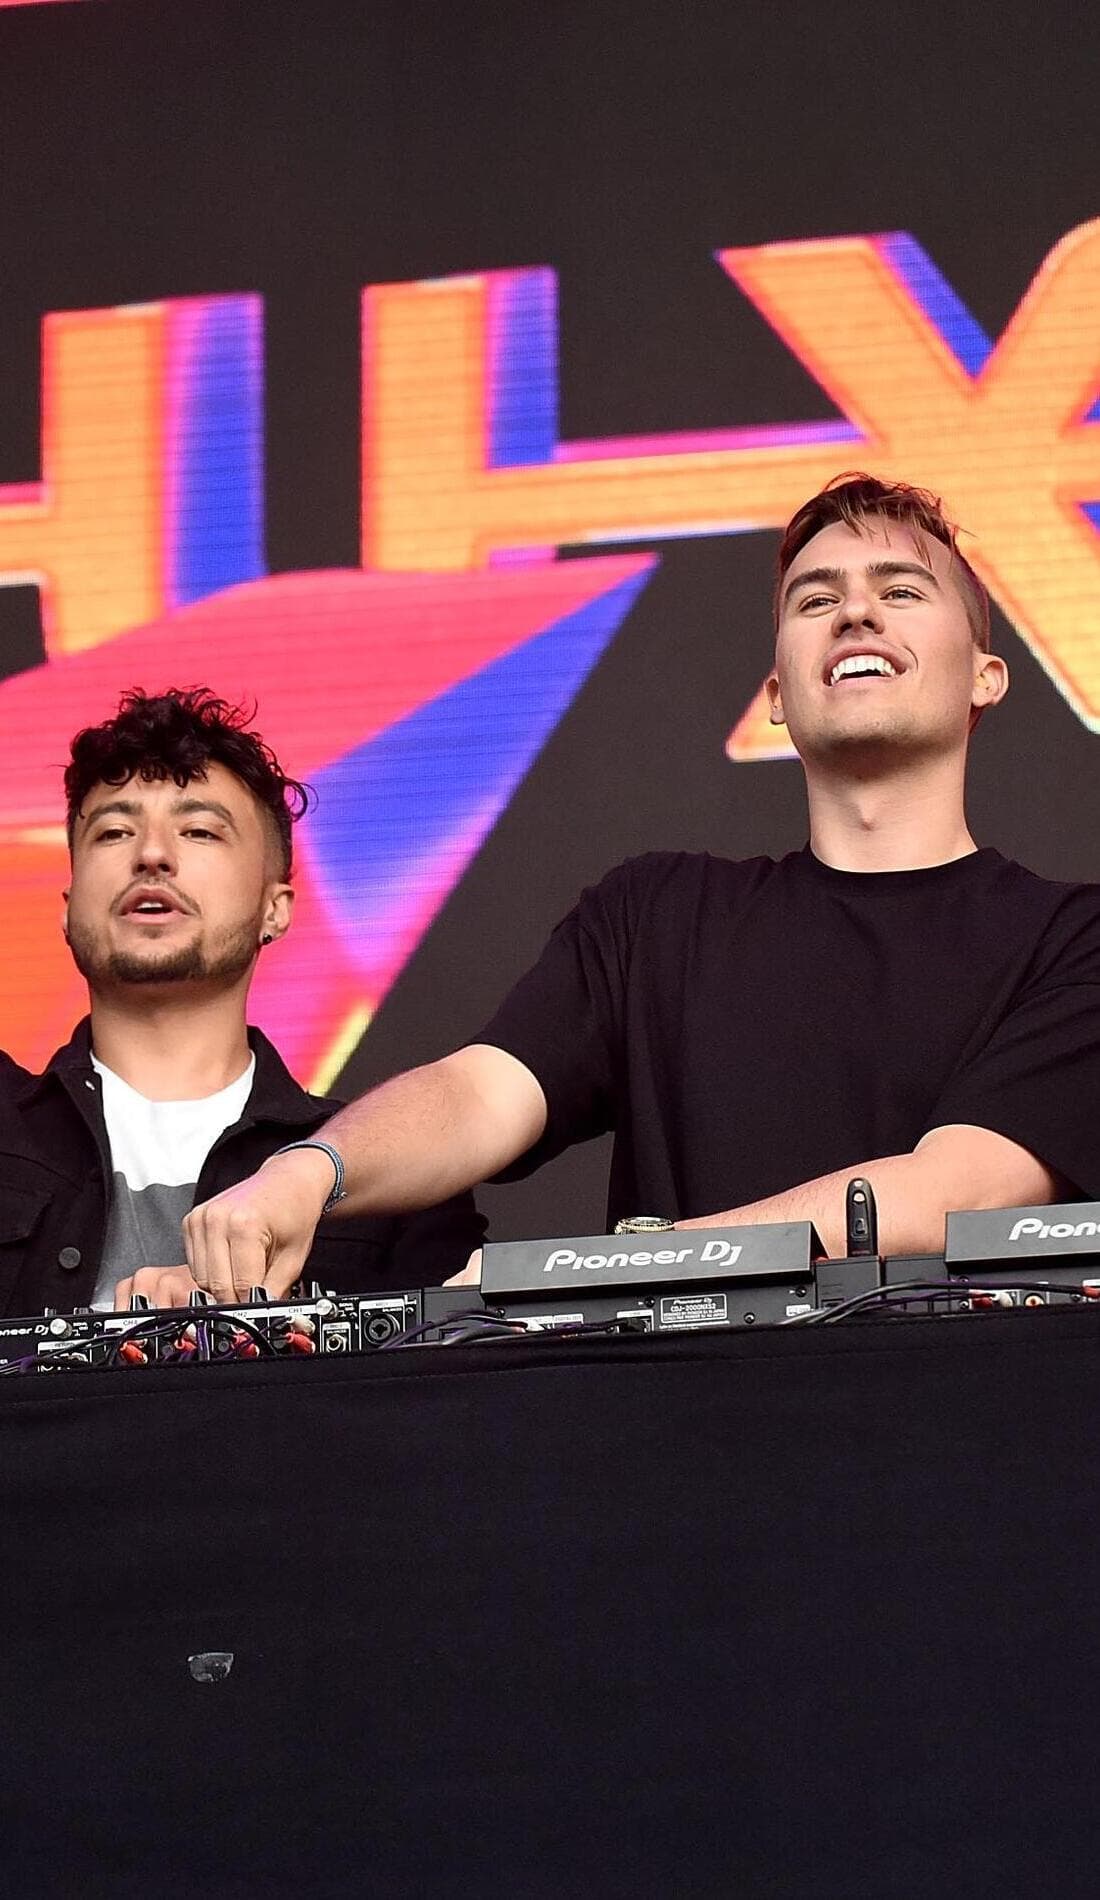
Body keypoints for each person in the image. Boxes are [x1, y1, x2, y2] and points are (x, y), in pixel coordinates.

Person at [179, 473, 1100, 1300]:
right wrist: (308, 1171)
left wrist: (626, 1269)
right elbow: (480, 1094)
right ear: (777, 695)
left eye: (900, 591)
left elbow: (956, 1193)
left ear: (986, 678)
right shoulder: (657, 916)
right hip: (677, 1427)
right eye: (816, 599)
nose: (856, 613)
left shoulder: (1074, 940)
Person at [0, 688, 483, 1318]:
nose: (151, 855)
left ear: (274, 909)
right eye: (114, 831)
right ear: (67, 909)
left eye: (199, 831)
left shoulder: (390, 1174)